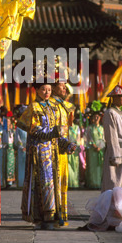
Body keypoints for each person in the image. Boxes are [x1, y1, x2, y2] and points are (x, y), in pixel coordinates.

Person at [18, 80, 76, 230]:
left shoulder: (52, 107)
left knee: (52, 183)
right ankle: (44, 216)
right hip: (39, 151)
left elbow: (57, 132)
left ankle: (52, 215)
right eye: (43, 89)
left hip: (52, 150)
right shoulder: (33, 107)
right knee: (43, 182)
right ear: (37, 90)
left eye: (49, 90)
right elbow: (34, 130)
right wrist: (52, 133)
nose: (47, 93)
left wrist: (66, 144)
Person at [50, 81, 75, 224]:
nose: (64, 87)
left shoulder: (65, 106)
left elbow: (67, 128)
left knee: (63, 181)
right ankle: (53, 213)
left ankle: (62, 214)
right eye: (61, 85)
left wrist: (69, 144)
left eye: (65, 85)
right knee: (54, 181)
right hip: (52, 148)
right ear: (53, 88)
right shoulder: (49, 106)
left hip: (63, 149)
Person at [101, 85, 122, 192]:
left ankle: (120, 205)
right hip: (116, 149)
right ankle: (112, 205)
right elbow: (112, 135)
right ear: (115, 98)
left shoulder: (121, 113)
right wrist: (115, 154)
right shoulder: (110, 112)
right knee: (114, 180)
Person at [85, 111, 105, 189]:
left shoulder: (102, 128)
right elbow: (88, 138)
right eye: (95, 117)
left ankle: (100, 183)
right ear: (92, 118)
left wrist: (100, 147)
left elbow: (104, 139)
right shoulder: (90, 128)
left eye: (98, 117)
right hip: (92, 149)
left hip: (101, 149)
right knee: (92, 166)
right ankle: (92, 183)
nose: (96, 118)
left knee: (99, 166)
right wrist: (94, 145)